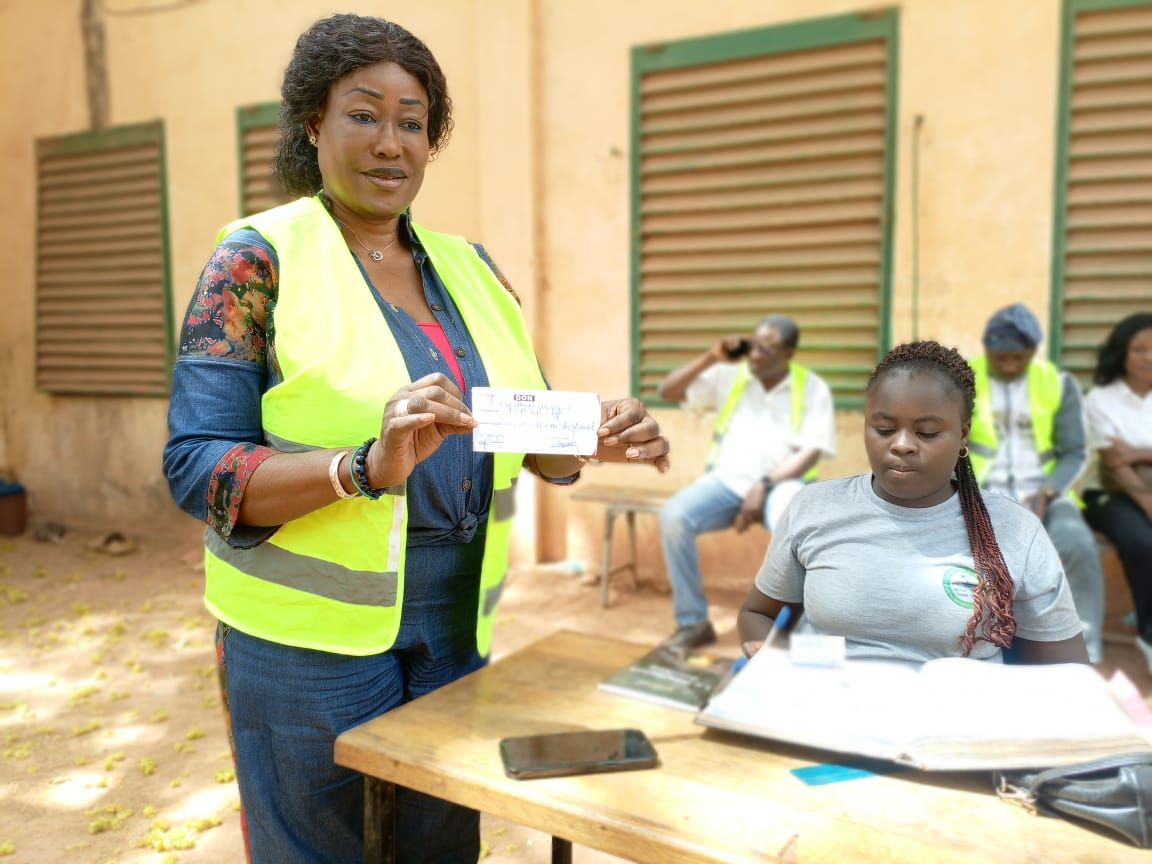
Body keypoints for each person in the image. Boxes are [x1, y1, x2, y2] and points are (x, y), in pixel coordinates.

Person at [161, 14, 670, 864]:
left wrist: (591, 436)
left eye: (412, 121)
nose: (390, 143)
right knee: (319, 851)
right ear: (313, 124)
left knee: (440, 844)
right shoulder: (256, 261)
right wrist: (361, 468)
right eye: (364, 114)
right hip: (306, 640)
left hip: (453, 619)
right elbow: (196, 468)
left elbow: (522, 429)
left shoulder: (472, 267)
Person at [739, 340, 1089, 666]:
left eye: (927, 433)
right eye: (884, 428)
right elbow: (758, 614)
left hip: (955, 726)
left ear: (962, 434)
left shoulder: (1014, 530)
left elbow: (1066, 670)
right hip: (829, 715)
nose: (902, 445)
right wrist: (775, 664)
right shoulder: (814, 508)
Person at [657, 314, 836, 650]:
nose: (755, 355)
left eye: (766, 350)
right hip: (726, 482)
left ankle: (792, 627)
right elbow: (668, 391)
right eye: (753, 347)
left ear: (788, 353)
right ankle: (693, 623)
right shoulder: (730, 376)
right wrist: (712, 356)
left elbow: (812, 451)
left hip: (783, 485)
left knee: (793, 523)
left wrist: (764, 484)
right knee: (674, 516)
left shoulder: (811, 388)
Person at [966, 302, 1104, 662]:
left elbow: (1074, 452)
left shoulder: (1057, 384)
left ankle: (1083, 652)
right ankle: (983, 646)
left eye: (1018, 358)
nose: (1009, 366)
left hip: (1046, 490)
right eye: (1000, 358)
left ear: (1032, 351)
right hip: (979, 488)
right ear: (987, 350)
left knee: (1076, 545)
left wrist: (1048, 490)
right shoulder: (962, 378)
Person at [1082, 313, 1152, 671]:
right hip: (1112, 494)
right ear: (1122, 353)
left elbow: (1128, 455)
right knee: (1141, 541)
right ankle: (1149, 636)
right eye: (1139, 349)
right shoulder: (1101, 399)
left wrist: (1139, 452)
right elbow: (1114, 463)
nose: (1148, 357)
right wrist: (1148, 503)